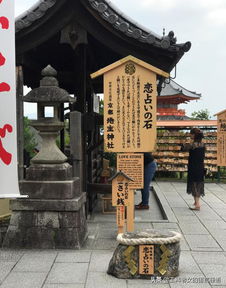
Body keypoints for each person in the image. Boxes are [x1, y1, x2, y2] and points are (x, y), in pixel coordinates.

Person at [181, 128, 205, 211]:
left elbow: (183, 148)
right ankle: (195, 202)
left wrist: (185, 142)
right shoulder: (202, 144)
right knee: (198, 183)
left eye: (191, 134)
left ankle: (197, 204)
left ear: (194, 135)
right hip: (200, 166)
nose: (190, 135)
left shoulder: (192, 145)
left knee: (194, 184)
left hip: (193, 166)